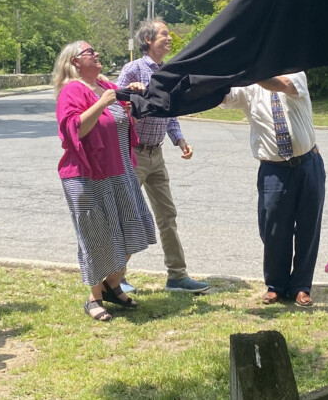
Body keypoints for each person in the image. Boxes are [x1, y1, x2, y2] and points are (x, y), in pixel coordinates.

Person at [52, 40, 156, 322]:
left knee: (132, 229)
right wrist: (102, 103)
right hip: (87, 176)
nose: (97, 55)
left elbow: (119, 120)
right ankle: (94, 297)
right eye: (90, 53)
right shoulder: (72, 90)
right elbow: (75, 129)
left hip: (120, 170)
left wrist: (128, 96)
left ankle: (112, 284)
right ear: (75, 62)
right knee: (97, 236)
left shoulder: (106, 86)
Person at [117, 19, 210, 293]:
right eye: (165, 34)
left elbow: (169, 112)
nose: (170, 38)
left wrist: (180, 141)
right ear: (148, 39)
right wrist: (129, 97)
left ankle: (177, 276)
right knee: (130, 216)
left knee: (167, 215)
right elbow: (111, 100)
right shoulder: (133, 69)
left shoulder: (167, 72)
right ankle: (116, 278)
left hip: (156, 155)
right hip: (133, 154)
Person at [221, 72, 326, 307]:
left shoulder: (296, 74)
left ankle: (301, 286)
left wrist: (247, 70)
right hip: (273, 169)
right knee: (273, 228)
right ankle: (275, 285)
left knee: (309, 227)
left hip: (308, 164)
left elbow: (281, 85)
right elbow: (223, 96)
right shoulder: (248, 87)